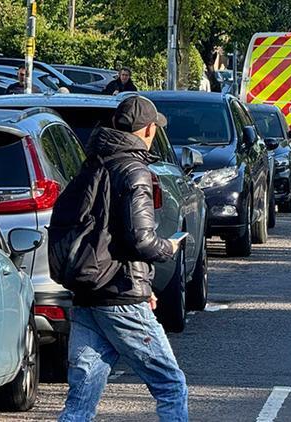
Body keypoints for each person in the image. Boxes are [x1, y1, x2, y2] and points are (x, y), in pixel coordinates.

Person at [57, 96, 188, 422]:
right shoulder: (135, 172)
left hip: (88, 293)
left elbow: (102, 234)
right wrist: (168, 249)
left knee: (80, 401)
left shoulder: (93, 165)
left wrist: (144, 284)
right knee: (171, 384)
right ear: (147, 130)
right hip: (121, 296)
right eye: (155, 127)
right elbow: (140, 239)